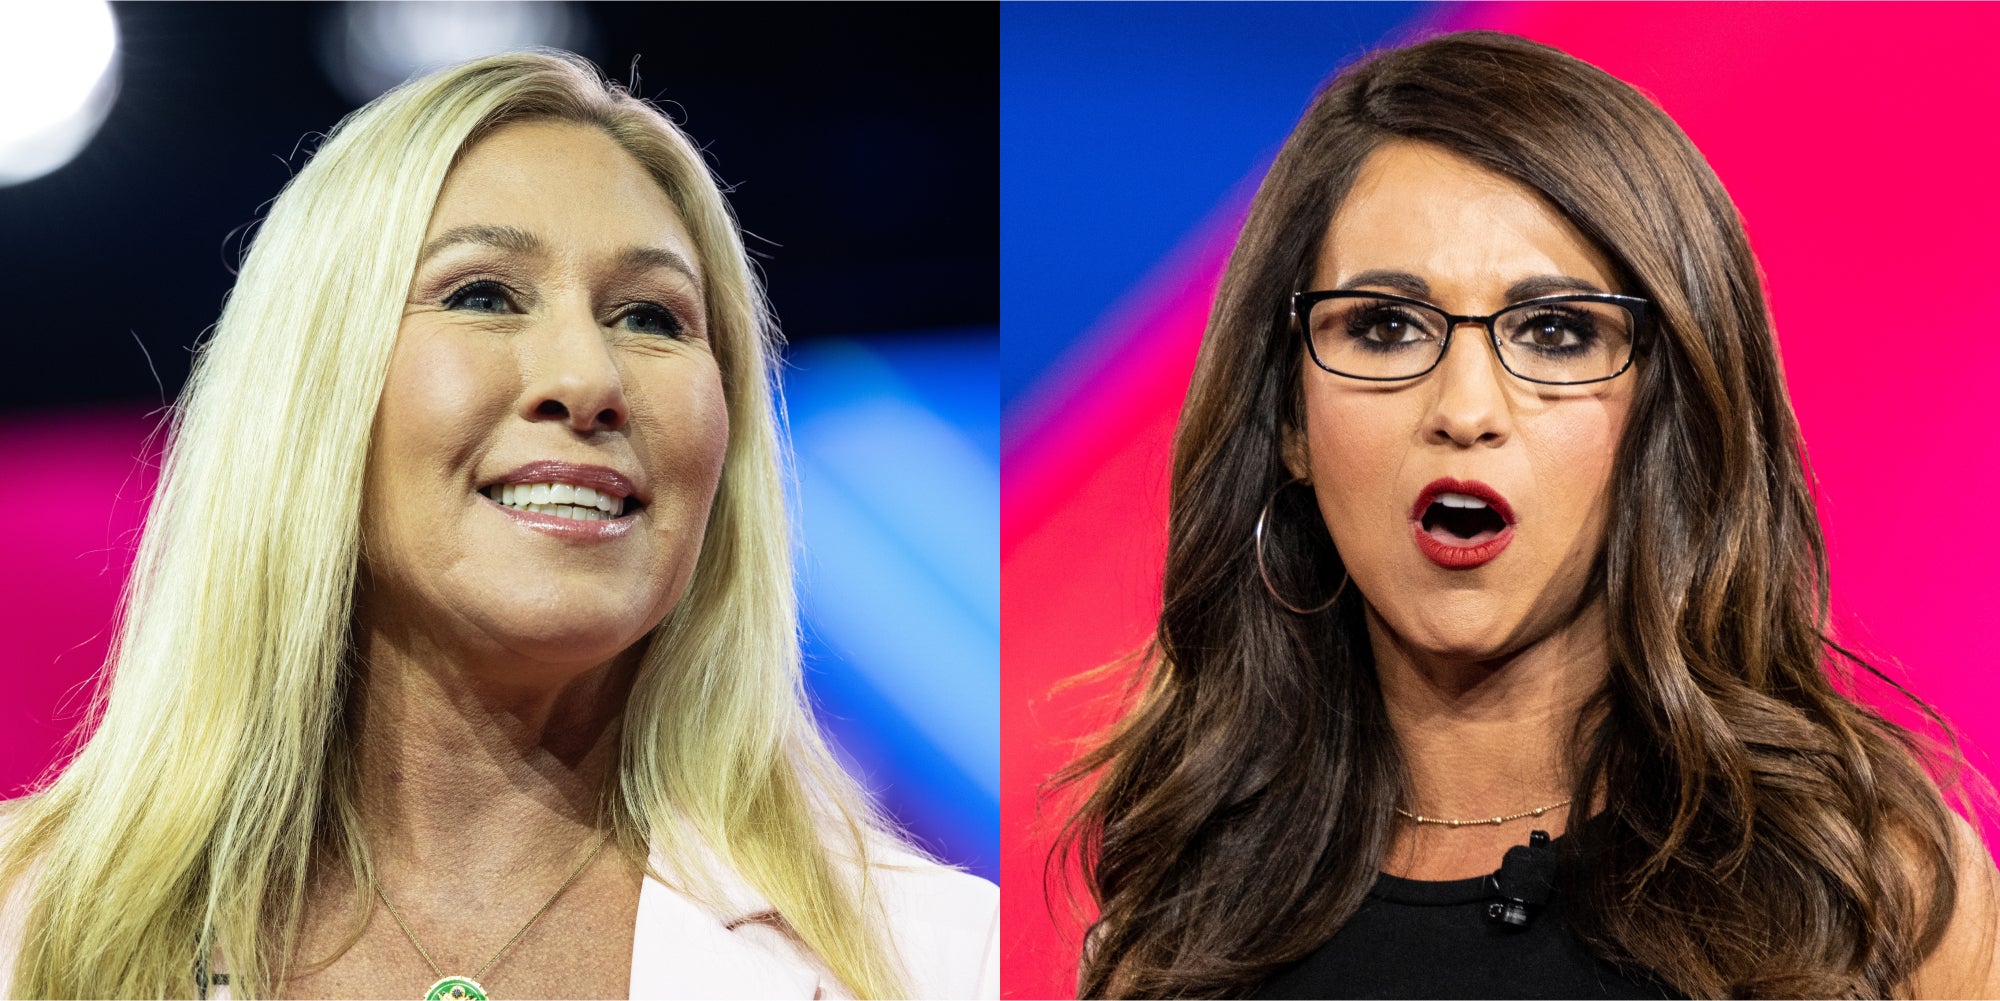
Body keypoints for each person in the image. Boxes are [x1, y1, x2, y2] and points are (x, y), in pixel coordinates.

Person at [0, 51, 995, 1000]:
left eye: (651, 316)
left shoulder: (947, 959)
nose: (587, 380)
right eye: (483, 294)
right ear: (308, 389)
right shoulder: (20, 918)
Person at [1052, 30, 1999, 999]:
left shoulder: (1868, 893)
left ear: (1666, 409)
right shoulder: (1174, 924)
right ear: (1289, 415)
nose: (1463, 410)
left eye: (1554, 332)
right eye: (1382, 326)